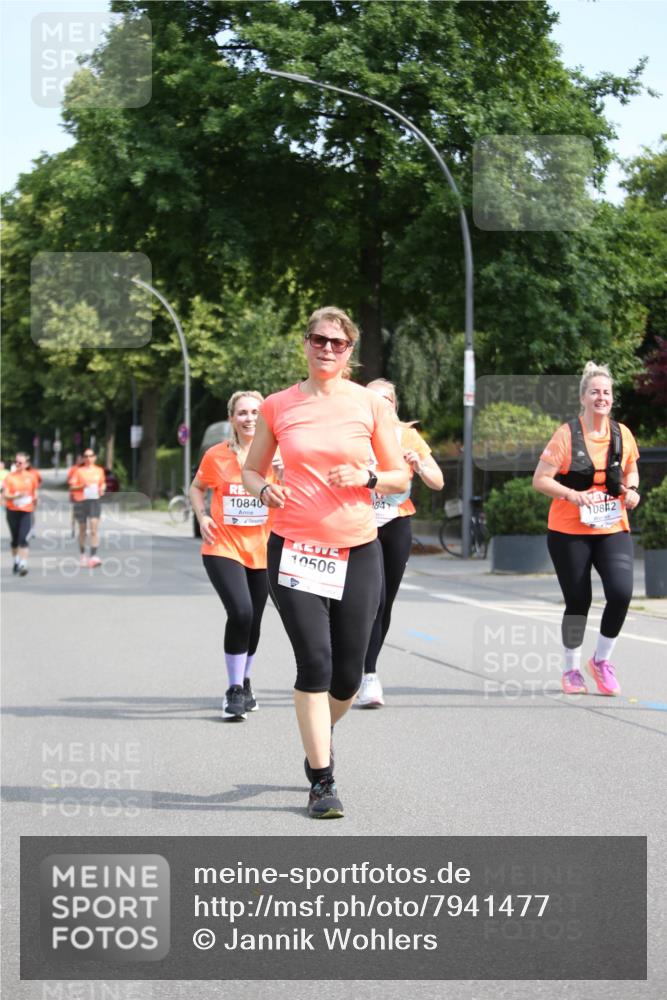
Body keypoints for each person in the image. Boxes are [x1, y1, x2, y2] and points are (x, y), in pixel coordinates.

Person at [242, 306, 409, 819]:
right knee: (314, 662)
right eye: (319, 339)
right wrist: (265, 488)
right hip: (294, 548)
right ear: (306, 343)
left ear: (350, 351)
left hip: (358, 549)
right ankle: (322, 780)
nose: (327, 349)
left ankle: (321, 727)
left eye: (338, 343)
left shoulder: (370, 406)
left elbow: (400, 475)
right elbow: (251, 470)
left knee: (348, 678)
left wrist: (369, 479)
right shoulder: (277, 406)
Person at [533, 361, 640, 696]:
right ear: (583, 397)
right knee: (579, 599)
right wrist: (573, 495)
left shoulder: (622, 434)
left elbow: (631, 470)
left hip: (612, 527)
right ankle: (571, 668)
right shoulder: (566, 435)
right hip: (569, 530)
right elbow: (540, 480)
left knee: (621, 593)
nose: (601, 397)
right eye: (595, 391)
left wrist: (632, 490)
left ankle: (602, 661)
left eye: (606, 392)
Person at [358, 379, 444, 708]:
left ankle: (368, 674)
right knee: (367, 601)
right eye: (373, 400)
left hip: (395, 523)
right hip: (359, 525)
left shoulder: (405, 435)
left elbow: (438, 482)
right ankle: (360, 669)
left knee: (384, 602)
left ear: (394, 406)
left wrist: (419, 463)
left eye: (387, 401)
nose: (381, 406)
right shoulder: (354, 434)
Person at [189, 391, 272, 721]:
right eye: (242, 412)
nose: (249, 417)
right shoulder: (216, 455)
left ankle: (245, 680)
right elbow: (196, 487)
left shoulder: (277, 456)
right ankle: (234, 690)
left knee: (254, 620)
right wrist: (202, 515)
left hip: (265, 549)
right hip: (222, 546)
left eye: (255, 412)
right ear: (231, 419)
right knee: (240, 611)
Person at [68, 449, 106, 567]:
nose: (88, 458)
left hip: (94, 501)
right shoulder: (78, 471)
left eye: (91, 456)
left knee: (94, 529)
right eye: (86, 456)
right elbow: (72, 487)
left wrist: (103, 488)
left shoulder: (99, 470)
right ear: (83, 458)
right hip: (81, 502)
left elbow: (102, 483)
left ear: (95, 457)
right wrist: (82, 486)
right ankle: (83, 555)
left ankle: (93, 556)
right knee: (82, 530)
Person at [4, 452, 38, 576]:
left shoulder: (32, 477)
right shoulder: (9, 477)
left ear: (26, 464)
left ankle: (23, 563)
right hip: (12, 510)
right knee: (15, 539)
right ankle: (16, 561)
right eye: (16, 462)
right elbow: (5, 495)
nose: (17, 464)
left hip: (26, 511)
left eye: (20, 462)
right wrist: (16, 495)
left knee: (23, 537)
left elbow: (35, 493)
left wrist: (34, 505)